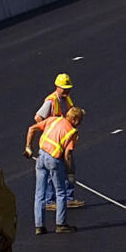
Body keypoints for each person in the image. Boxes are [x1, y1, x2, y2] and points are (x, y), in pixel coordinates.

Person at [25, 107, 85, 234]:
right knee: (61, 192)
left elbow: (31, 129)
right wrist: (70, 173)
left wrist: (28, 147)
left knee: (40, 193)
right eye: (80, 121)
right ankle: (60, 224)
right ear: (74, 119)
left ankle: (39, 226)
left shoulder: (52, 120)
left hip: (41, 156)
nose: (80, 124)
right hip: (54, 160)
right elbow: (68, 154)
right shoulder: (72, 132)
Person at [35, 73, 84, 210]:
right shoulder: (51, 101)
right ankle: (50, 201)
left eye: (68, 88)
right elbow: (38, 117)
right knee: (53, 172)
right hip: (55, 143)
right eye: (64, 88)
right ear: (57, 87)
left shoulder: (66, 99)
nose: (66, 91)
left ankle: (68, 198)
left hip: (64, 140)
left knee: (68, 168)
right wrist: (48, 128)